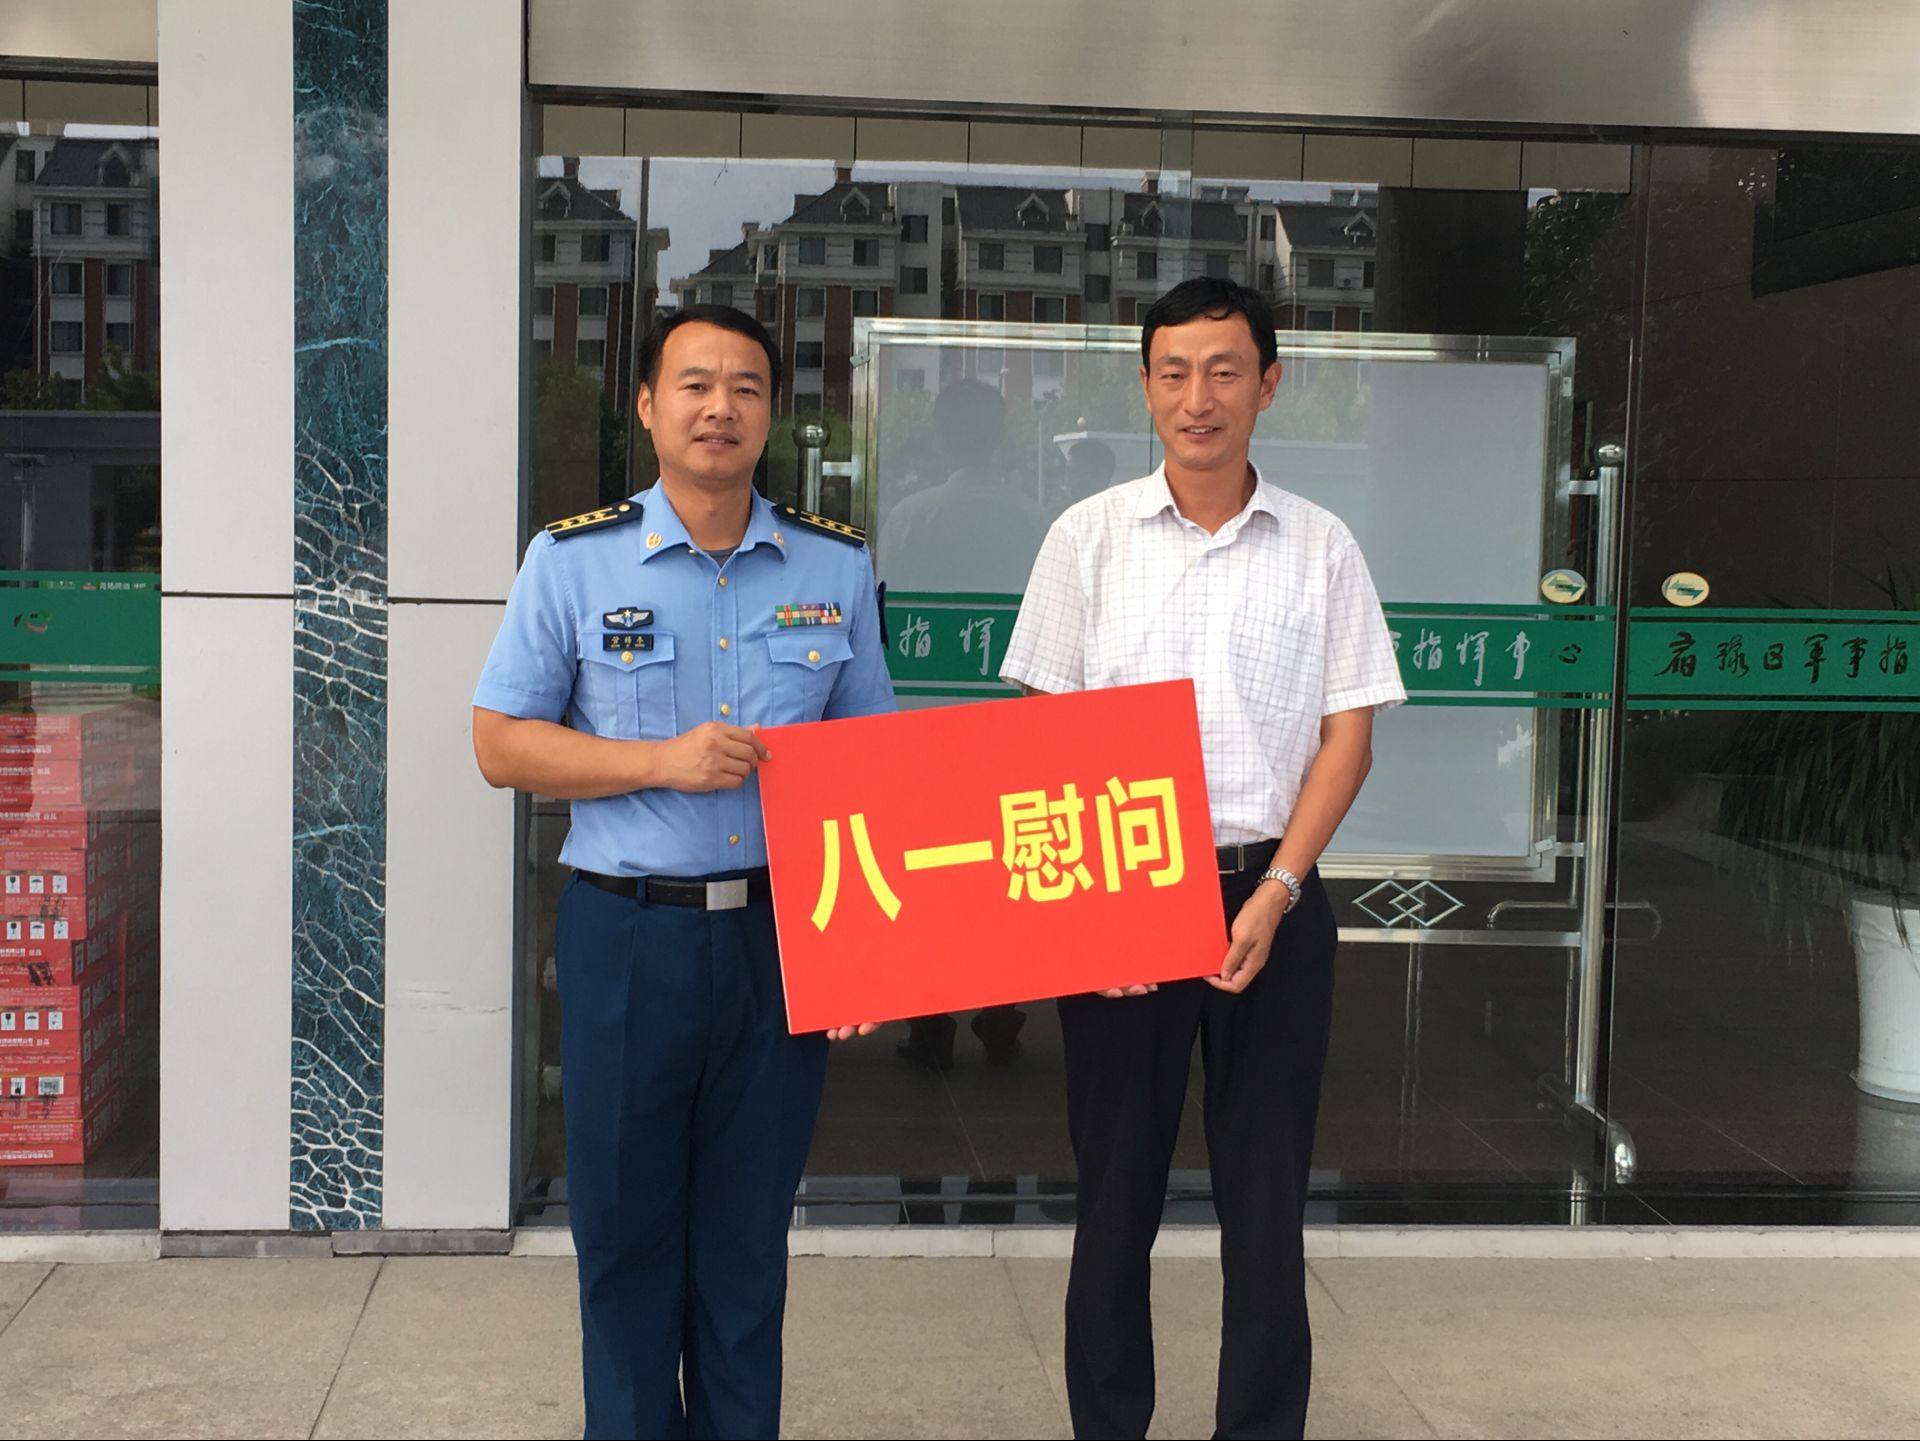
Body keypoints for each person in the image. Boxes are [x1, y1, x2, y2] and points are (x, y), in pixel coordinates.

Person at [470, 304, 894, 1440]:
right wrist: (659, 761)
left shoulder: (834, 564)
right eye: (695, 385)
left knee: (747, 1247)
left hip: (779, 939)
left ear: (773, 413)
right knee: (624, 1240)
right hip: (627, 937)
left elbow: (870, 765)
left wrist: (865, 951)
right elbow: (501, 743)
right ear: (649, 407)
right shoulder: (573, 560)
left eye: (746, 388)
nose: (721, 408)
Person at [999, 277, 1405, 1440]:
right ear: (1145, 386)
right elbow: (1043, 733)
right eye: (1174, 372)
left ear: (1268, 385)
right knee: (1113, 1198)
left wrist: (1279, 888)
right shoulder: (1087, 538)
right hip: (1122, 892)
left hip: (1274, 893)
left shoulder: (1321, 545)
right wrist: (1095, 911)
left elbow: (1348, 735)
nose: (1199, 397)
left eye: (1225, 371)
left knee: (1265, 1204)